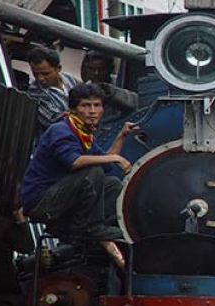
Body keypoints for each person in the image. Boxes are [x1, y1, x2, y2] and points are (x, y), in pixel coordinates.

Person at [20, 83, 138, 270]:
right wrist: (116, 158)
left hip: (63, 197)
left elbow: (105, 163)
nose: (92, 111)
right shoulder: (62, 131)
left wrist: (122, 136)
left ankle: (92, 226)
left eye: (97, 105)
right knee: (93, 172)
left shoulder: (82, 132)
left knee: (113, 184)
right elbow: (74, 162)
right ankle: (91, 228)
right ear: (74, 109)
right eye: (85, 105)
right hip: (42, 201)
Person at [26, 47, 80, 133]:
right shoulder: (35, 94)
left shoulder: (70, 79)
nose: (40, 78)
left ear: (58, 68)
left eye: (45, 74)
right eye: (36, 74)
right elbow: (56, 121)